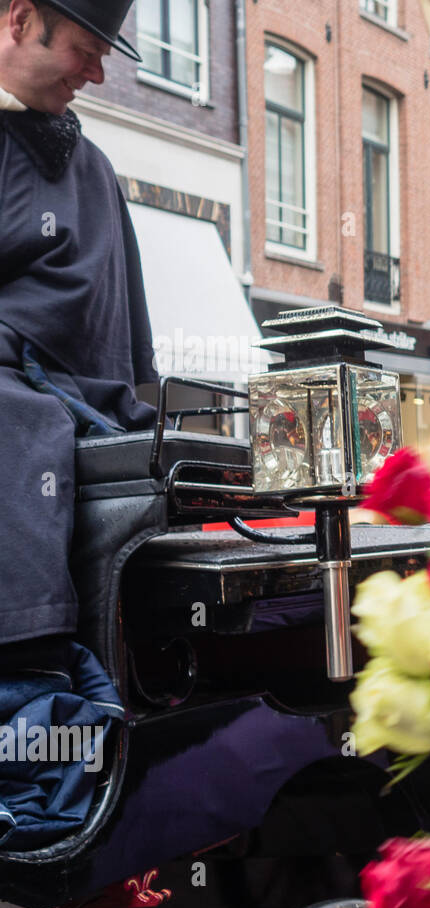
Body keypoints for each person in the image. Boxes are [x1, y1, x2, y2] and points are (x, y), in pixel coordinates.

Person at [0, 0, 155, 672]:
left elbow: (131, 340)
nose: (95, 75)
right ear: (18, 18)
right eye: (85, 50)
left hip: (91, 413)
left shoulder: (95, 169)